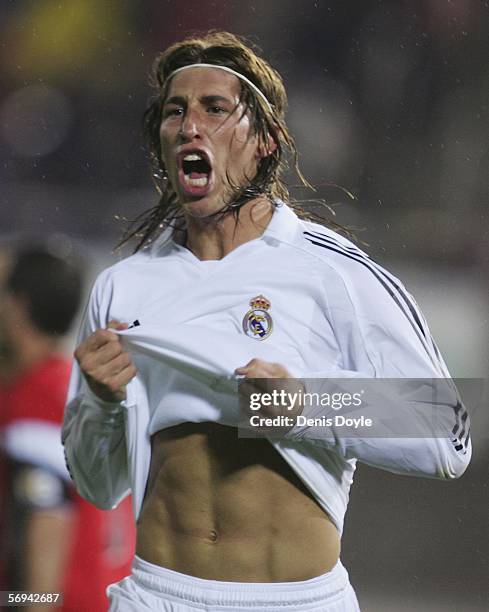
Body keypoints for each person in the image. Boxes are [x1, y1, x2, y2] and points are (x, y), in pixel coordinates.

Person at [62, 31, 471, 611]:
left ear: (266, 144)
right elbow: (98, 487)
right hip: (156, 595)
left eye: (215, 109)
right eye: (175, 111)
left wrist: (306, 405)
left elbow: (448, 437)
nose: (189, 126)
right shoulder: (122, 286)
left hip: (293, 600)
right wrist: (100, 407)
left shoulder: (333, 272)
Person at [0, 246, 135, 612]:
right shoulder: (76, 385)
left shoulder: (35, 396)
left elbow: (47, 517)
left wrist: (28, 604)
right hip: (109, 593)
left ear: (17, 305)